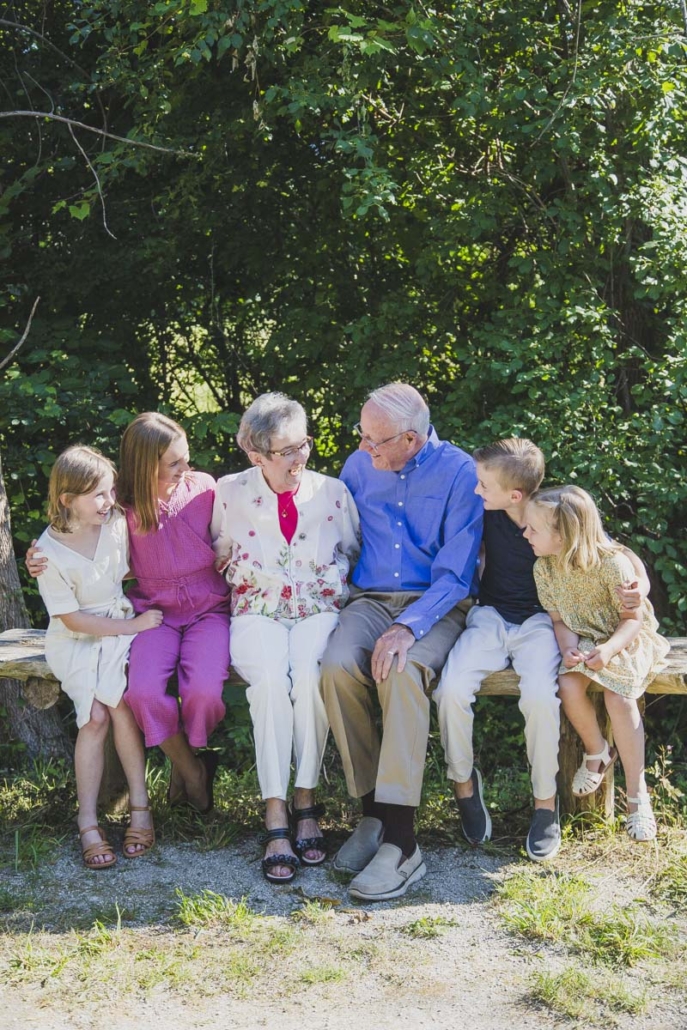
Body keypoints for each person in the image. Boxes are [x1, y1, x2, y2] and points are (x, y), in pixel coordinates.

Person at [434, 440, 651, 861]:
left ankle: (544, 804)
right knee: (451, 689)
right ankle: (463, 784)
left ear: (515, 494)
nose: (476, 490)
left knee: (539, 696)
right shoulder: (484, 513)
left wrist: (638, 583)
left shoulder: (549, 514)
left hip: (543, 622)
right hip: (491, 615)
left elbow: (610, 548)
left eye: (483, 484)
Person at [320, 383, 483, 901]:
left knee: (402, 669)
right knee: (337, 664)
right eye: (363, 437)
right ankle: (371, 815)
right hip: (369, 598)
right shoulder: (359, 465)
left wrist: (407, 627)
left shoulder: (460, 473)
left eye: (376, 441)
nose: (365, 450)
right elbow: (342, 539)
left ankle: (403, 841)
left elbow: (457, 575)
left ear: (410, 438)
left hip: (434, 604)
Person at [28, 413, 231, 812]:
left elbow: (232, 527)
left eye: (185, 458)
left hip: (208, 609)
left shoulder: (204, 487)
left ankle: (190, 755)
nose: (185, 468)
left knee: (203, 694)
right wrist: (38, 556)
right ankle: (191, 769)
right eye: (174, 463)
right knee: (140, 693)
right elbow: (75, 525)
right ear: (146, 465)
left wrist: (225, 544)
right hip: (153, 612)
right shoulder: (122, 507)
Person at [211, 393, 360, 884]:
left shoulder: (332, 492)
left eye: (305, 445)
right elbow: (217, 548)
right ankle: (275, 810)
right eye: (287, 450)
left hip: (318, 609)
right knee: (272, 683)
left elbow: (353, 551)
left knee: (311, 677)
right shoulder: (229, 492)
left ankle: (306, 799)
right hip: (257, 610)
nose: (301, 458)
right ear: (257, 457)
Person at [35, 446, 161, 869]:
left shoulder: (117, 524)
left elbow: (128, 568)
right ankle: (87, 819)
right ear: (67, 499)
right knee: (94, 717)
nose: (109, 502)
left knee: (121, 705)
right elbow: (70, 619)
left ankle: (140, 807)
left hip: (118, 623)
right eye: (98, 496)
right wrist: (133, 627)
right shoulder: (47, 551)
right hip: (76, 637)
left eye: (110, 492)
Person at [524, 485, 670, 842]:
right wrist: (569, 649)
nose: (524, 533)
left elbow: (633, 619)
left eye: (533, 528)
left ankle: (637, 797)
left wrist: (608, 651)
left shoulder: (612, 564)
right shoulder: (545, 568)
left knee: (618, 697)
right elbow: (559, 620)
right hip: (586, 637)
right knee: (568, 685)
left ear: (563, 535)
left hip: (626, 637)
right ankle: (598, 751)